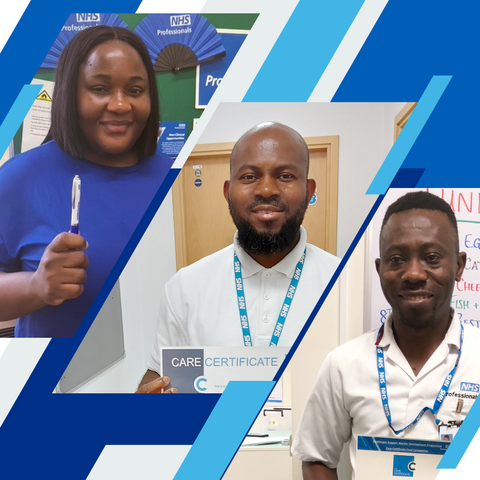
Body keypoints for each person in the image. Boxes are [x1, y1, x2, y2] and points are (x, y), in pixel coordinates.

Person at [137, 122, 341, 393]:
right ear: (227, 192)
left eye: (285, 175)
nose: (266, 189)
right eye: (248, 177)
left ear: (310, 190)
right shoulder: (185, 286)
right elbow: (158, 376)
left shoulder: (344, 283)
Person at [291, 191, 480, 479]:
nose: (414, 273)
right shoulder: (343, 364)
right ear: (380, 270)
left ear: (458, 265)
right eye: (396, 259)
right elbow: (317, 457)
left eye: (431, 258)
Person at [0, 26, 173, 337]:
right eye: (100, 89)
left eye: (135, 90)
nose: (120, 105)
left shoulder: (175, 180)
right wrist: (35, 287)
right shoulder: (19, 179)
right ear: (70, 93)